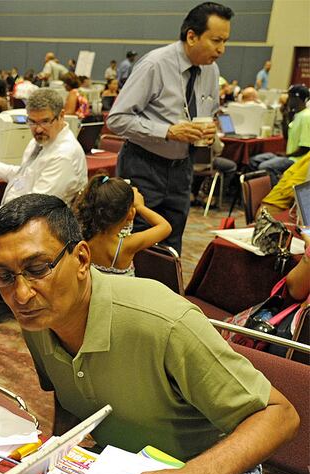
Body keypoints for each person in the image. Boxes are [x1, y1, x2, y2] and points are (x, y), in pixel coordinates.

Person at [0, 193, 299, 474]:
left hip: (215, 472)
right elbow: (69, 400)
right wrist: (56, 457)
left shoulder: (164, 323)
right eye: (4, 275)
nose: (21, 295)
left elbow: (280, 415)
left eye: (38, 268)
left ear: (82, 259)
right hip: (121, 466)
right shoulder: (39, 321)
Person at [107, 2, 232, 255]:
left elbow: (210, 111)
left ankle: (163, 292)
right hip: (143, 165)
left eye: (225, 41)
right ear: (192, 36)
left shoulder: (211, 70)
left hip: (182, 168)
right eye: (216, 40)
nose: (221, 49)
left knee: (172, 240)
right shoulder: (155, 64)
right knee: (137, 241)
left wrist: (210, 131)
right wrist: (166, 131)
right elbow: (117, 119)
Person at [0, 88, 87, 313]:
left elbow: (38, 203)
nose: (37, 128)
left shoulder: (64, 154)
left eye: (44, 121)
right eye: (31, 122)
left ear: (61, 116)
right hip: (20, 216)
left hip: (40, 224)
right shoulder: (41, 142)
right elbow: (25, 175)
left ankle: (0, 293)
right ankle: (3, 285)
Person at [74, 175, 172, 276]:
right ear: (131, 214)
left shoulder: (85, 236)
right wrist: (140, 206)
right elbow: (165, 227)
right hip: (123, 291)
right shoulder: (127, 244)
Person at [249, 84, 310, 185]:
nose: (288, 100)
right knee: (253, 161)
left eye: (290, 97)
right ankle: (258, 190)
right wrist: (285, 116)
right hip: (290, 156)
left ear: (297, 98)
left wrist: (287, 155)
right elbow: (287, 137)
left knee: (265, 166)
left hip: (297, 160)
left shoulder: (306, 117)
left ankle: (275, 193)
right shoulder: (297, 115)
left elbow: (306, 147)